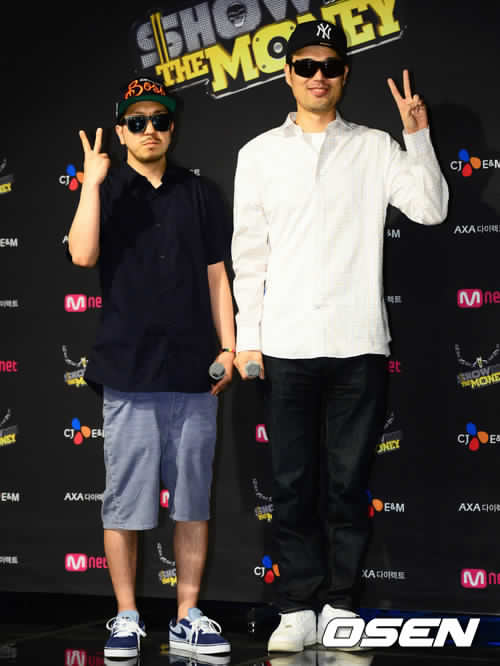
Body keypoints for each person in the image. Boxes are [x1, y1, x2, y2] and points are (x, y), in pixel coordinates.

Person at [231, 21, 448, 653]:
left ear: (345, 75)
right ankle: (297, 606)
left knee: (349, 485)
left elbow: (432, 209)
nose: (317, 76)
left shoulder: (378, 147)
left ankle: (340, 605)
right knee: (292, 483)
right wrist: (248, 339)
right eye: (306, 65)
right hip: (285, 344)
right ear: (288, 74)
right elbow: (249, 255)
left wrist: (417, 135)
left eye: (329, 65)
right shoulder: (258, 154)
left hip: (359, 343)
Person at [67, 76, 235, 660]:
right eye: (136, 122)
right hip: (128, 373)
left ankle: (187, 617)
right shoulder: (107, 189)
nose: (149, 131)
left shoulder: (200, 192)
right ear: (121, 131)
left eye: (159, 120)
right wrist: (91, 183)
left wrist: (229, 348)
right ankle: (126, 617)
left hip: (194, 372)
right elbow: (82, 253)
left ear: (172, 127)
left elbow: (217, 276)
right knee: (125, 504)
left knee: (192, 502)